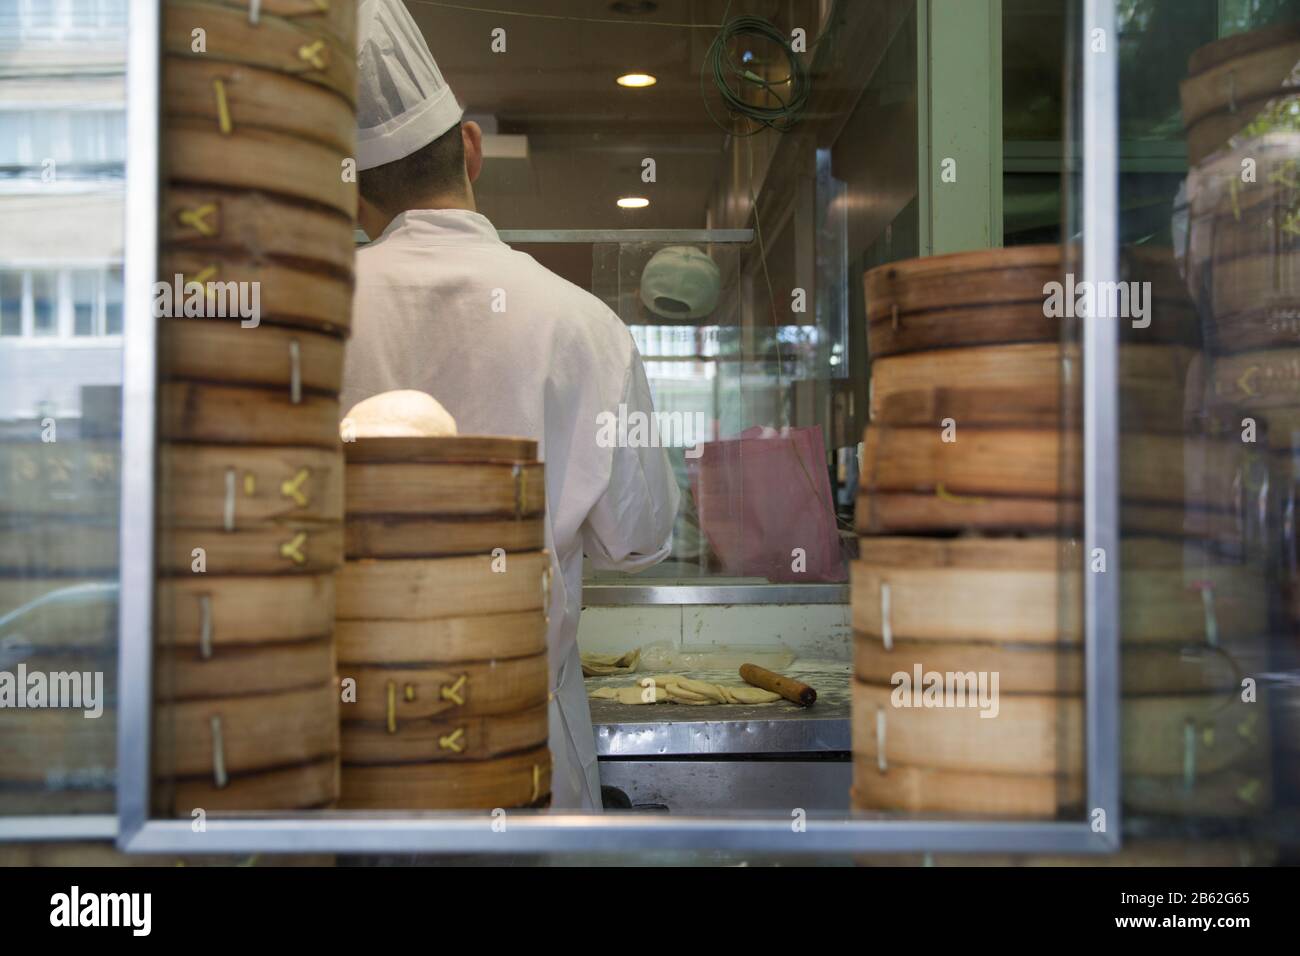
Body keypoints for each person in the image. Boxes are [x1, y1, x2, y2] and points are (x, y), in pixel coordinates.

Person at [344, 0, 680, 810]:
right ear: (471, 149)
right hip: (527, 762)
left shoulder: (307, 319)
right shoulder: (584, 325)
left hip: (355, 765)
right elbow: (641, 540)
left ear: (353, 191)